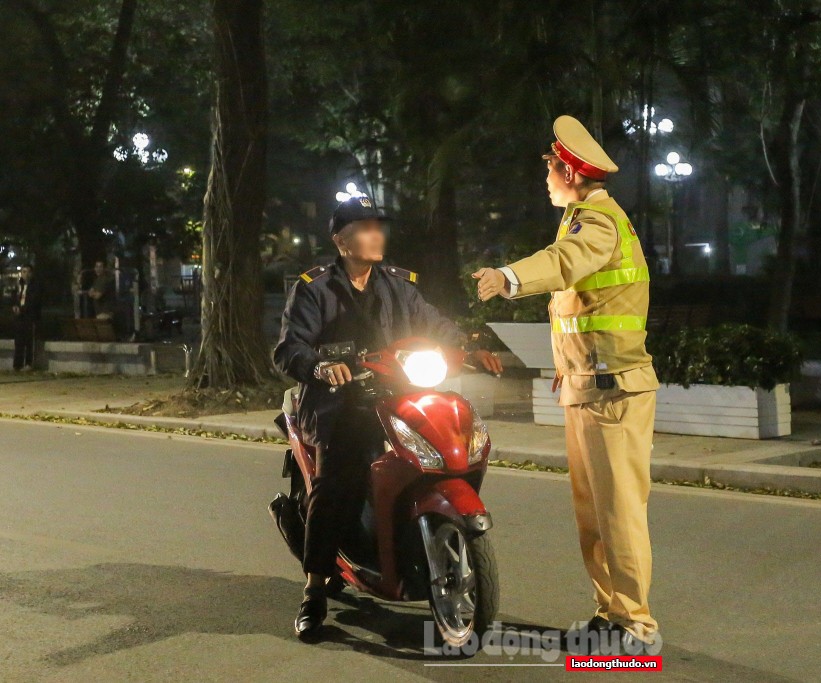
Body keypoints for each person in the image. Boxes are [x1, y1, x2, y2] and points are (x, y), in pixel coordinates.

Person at [273, 194, 502, 639]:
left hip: (398, 395)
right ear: (342, 241)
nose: (376, 235)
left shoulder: (398, 285)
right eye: (364, 228)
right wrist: (320, 366)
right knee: (335, 482)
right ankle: (314, 588)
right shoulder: (314, 288)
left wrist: (470, 346)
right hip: (340, 403)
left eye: (379, 227)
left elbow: (434, 323)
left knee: (438, 444)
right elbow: (289, 347)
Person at [473, 115, 660, 654]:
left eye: (551, 169)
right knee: (594, 514)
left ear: (571, 173)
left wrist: (508, 277)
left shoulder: (597, 221)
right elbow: (586, 305)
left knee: (618, 514)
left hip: (613, 391)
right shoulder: (582, 218)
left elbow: (564, 263)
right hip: (589, 385)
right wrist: (568, 362)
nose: (547, 178)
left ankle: (635, 627)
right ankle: (611, 613)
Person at [11, 266, 42, 371]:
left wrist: (22, 309)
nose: (26, 274)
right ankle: (17, 364)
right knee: (18, 341)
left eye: (28, 272)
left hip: (30, 316)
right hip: (19, 317)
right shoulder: (19, 285)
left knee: (29, 340)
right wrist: (15, 306)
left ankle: (29, 363)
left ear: (31, 273)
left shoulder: (35, 286)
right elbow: (14, 297)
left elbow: (34, 301)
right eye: (24, 272)